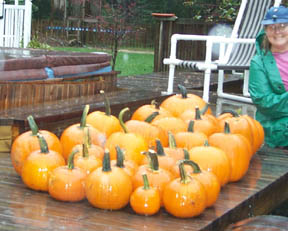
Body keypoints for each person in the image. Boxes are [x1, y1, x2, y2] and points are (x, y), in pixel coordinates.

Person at [249, 5, 288, 148]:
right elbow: (264, 102)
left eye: (282, 26)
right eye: (271, 27)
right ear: (265, 31)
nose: (277, 32)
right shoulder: (258, 62)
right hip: (276, 126)